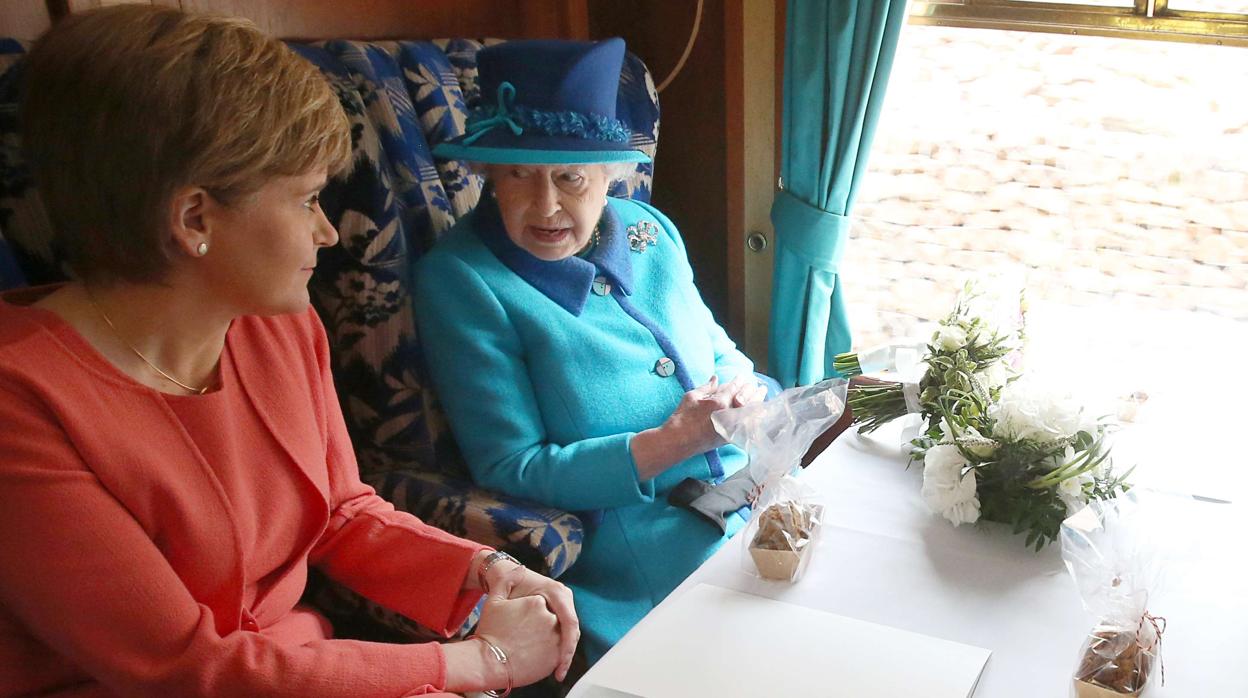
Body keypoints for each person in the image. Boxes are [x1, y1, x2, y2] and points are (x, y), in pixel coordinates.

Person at [0, 7, 578, 697]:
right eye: (307, 200)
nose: (329, 233)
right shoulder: (21, 403)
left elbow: (339, 512)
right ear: (194, 219)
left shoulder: (278, 324)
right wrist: (476, 663)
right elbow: (186, 669)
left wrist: (485, 569)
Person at [416, 39, 770, 664]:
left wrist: (743, 390)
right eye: (520, 174)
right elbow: (511, 466)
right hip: (638, 564)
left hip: (757, 496)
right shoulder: (462, 281)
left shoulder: (650, 232)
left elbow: (719, 350)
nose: (546, 205)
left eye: (571, 177)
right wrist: (672, 443)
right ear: (490, 176)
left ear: (610, 174)